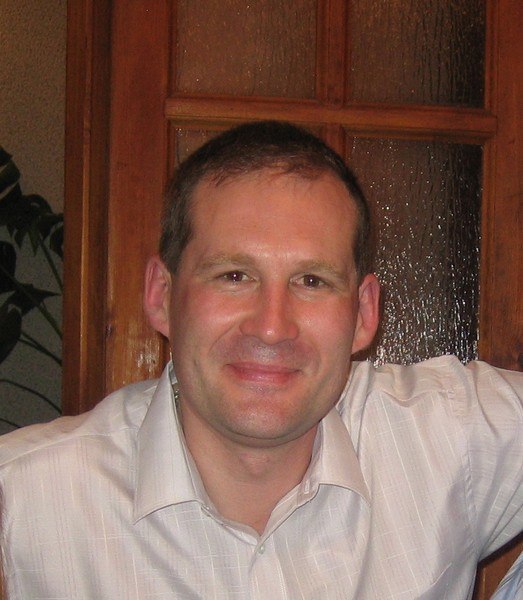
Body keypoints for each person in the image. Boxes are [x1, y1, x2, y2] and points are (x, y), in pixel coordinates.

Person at [0, 121, 521, 599]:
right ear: (162, 295)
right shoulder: (22, 504)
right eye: (234, 276)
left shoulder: (447, 438)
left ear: (364, 313)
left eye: (312, 281)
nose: (272, 326)